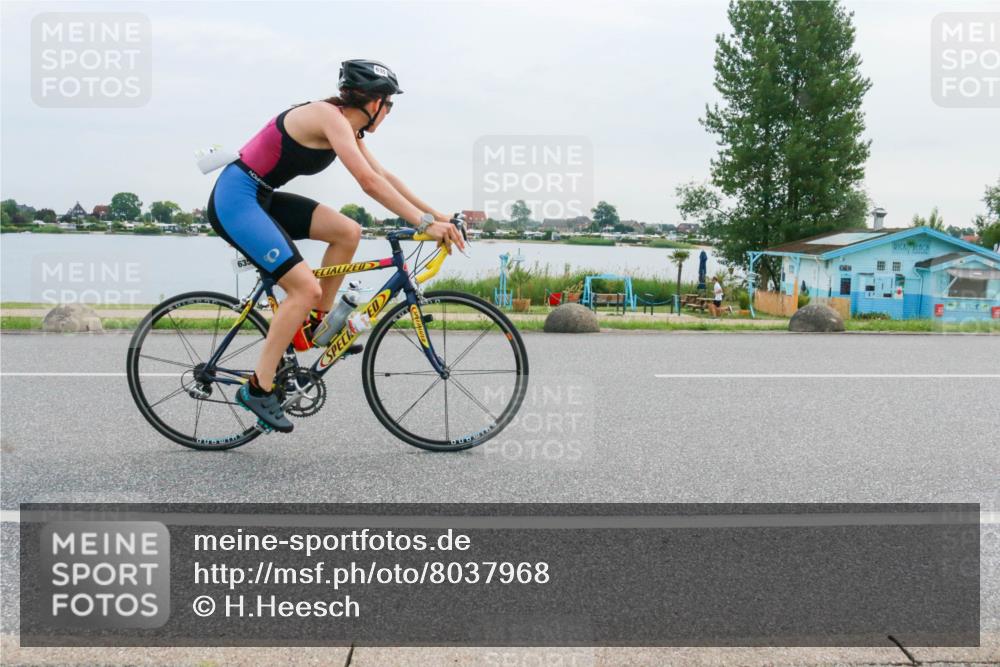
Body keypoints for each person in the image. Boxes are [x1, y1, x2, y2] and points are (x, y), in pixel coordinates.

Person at [206, 59, 464, 433]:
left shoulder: (349, 130)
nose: (389, 112)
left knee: (347, 232)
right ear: (374, 102)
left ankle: (314, 325)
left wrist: (442, 217)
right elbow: (368, 184)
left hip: (262, 196)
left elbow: (383, 175)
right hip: (236, 199)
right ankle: (258, 389)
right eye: (389, 104)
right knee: (304, 287)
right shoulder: (327, 116)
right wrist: (424, 223)